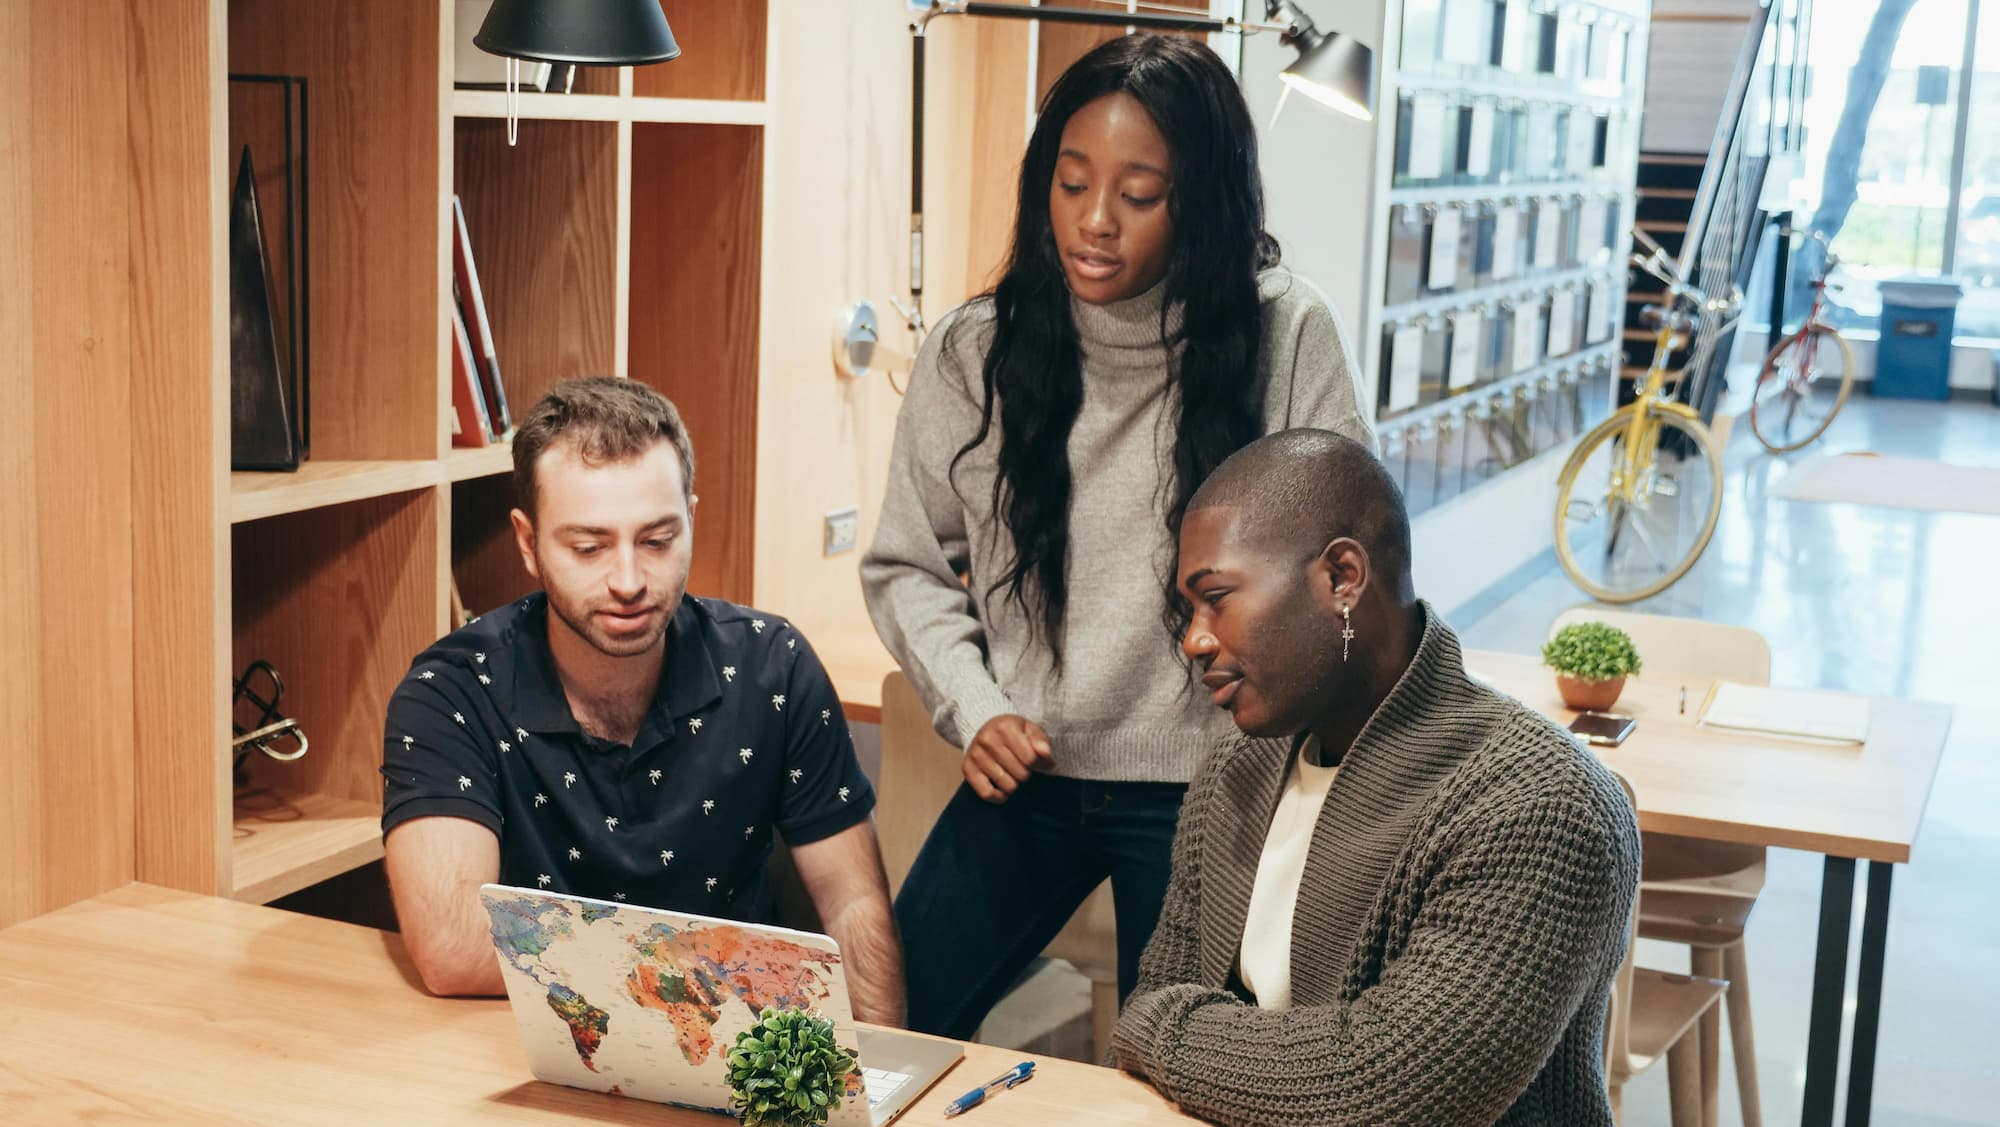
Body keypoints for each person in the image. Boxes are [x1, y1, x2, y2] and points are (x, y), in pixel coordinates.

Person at [861, 33, 1373, 1039]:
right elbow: (905, 562)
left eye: (1138, 194)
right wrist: (971, 705)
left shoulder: (1285, 332)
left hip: (1212, 789)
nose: (1093, 222)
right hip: (1028, 768)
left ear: (1203, 200)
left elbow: (1347, 564)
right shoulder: (974, 348)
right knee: (878, 1032)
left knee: (1181, 1072)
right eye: (1070, 182)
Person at [1107, 428, 1640, 1125]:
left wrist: (1169, 1033)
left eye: (1217, 597)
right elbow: (1153, 998)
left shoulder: (1543, 803)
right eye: (1191, 609)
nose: (1195, 639)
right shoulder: (1236, 771)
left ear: (1341, 578)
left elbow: (1387, 1093)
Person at [380, 377, 904, 1024]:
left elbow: (854, 907)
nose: (628, 580)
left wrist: (877, 1085)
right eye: (588, 546)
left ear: (691, 517)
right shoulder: (453, 692)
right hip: (533, 1059)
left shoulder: (774, 666)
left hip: (745, 1060)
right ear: (527, 542)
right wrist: (705, 968)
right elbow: (454, 947)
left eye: (657, 540)